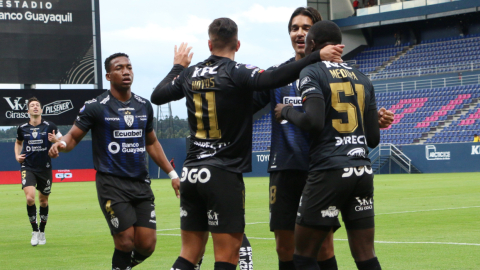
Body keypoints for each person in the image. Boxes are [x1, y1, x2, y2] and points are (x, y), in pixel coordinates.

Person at [151, 17, 340, 270]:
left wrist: (177, 67)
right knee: (227, 257)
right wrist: (314, 57)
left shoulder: (190, 73)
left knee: (190, 253)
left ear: (209, 44)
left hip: (192, 171)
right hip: (222, 172)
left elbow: (157, 95)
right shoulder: (237, 72)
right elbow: (273, 78)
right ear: (237, 44)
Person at [252, 7, 394, 270]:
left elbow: (341, 119)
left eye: (306, 28)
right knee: (284, 246)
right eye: (294, 28)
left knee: (322, 247)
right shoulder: (278, 75)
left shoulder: (322, 73)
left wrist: (372, 120)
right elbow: (250, 101)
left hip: (321, 168)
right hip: (286, 167)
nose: (299, 33)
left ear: (314, 37)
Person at [48, 53, 179, 270]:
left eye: (129, 67)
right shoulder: (96, 106)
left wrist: (173, 175)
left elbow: (152, 143)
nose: (126, 71)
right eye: (119, 68)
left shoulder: (143, 105)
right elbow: (72, 137)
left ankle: (122, 266)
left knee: (147, 245)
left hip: (140, 184)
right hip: (111, 184)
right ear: (109, 75)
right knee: (126, 240)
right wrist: (61, 145)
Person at [14, 97, 62, 246]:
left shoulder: (50, 126)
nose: (35, 107)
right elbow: (18, 142)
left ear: (41, 110)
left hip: (45, 169)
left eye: (37, 105)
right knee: (30, 198)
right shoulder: (22, 128)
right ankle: (34, 231)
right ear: (28, 111)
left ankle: (42, 231)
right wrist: (17, 156)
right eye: (32, 106)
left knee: (43, 201)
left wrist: (55, 141)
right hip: (28, 167)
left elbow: (63, 141)